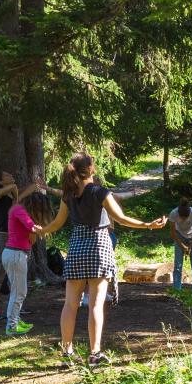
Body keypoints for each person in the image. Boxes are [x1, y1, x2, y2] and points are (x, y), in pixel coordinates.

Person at [40, 153, 167, 367]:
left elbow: (57, 223)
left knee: (70, 304)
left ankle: (67, 352)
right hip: (98, 246)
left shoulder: (68, 196)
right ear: (91, 169)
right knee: (96, 305)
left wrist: (40, 231)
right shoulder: (100, 192)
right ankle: (94, 353)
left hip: (76, 248)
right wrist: (147, 225)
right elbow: (121, 219)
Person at [0, 171, 39, 320]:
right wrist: (16, 190)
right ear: (0, 182)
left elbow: (31, 188)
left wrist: (29, 189)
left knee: (16, 273)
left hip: (15, 236)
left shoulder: (14, 195)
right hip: (3, 235)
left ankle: (17, 305)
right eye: (7, 176)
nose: (11, 176)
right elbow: (13, 188)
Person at [1, 192, 52, 336]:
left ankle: (15, 319)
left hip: (16, 254)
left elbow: (32, 238)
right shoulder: (19, 210)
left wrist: (36, 232)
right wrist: (46, 229)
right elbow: (32, 228)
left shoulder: (19, 210)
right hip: (15, 255)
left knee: (18, 291)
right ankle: (11, 325)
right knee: (19, 292)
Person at [169, 197, 192, 292]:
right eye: (181, 217)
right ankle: (177, 288)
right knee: (178, 264)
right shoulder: (173, 214)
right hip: (179, 236)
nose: (183, 219)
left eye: (185, 217)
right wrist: (182, 246)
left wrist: (190, 246)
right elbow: (173, 233)